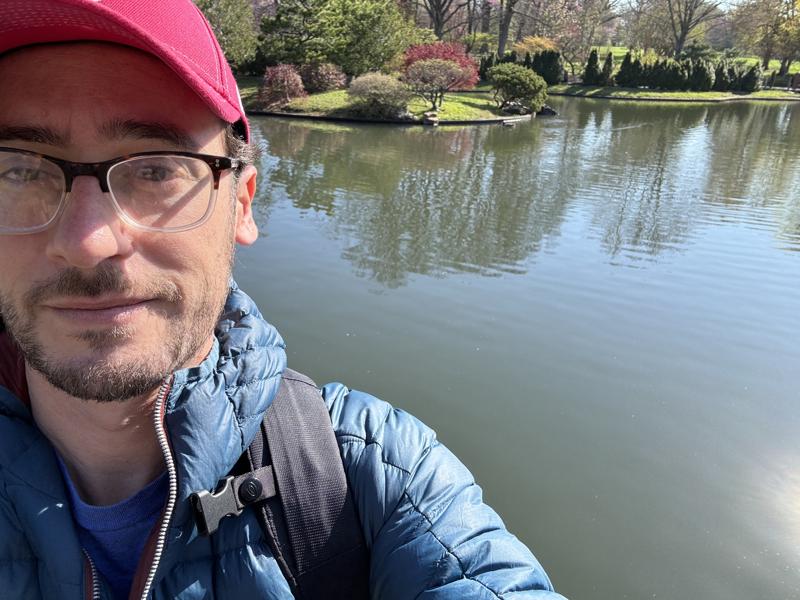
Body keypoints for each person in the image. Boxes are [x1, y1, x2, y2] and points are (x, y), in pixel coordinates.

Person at [0, 1, 566, 598]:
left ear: (242, 204)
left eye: (157, 169)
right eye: (17, 171)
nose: (87, 243)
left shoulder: (374, 479)